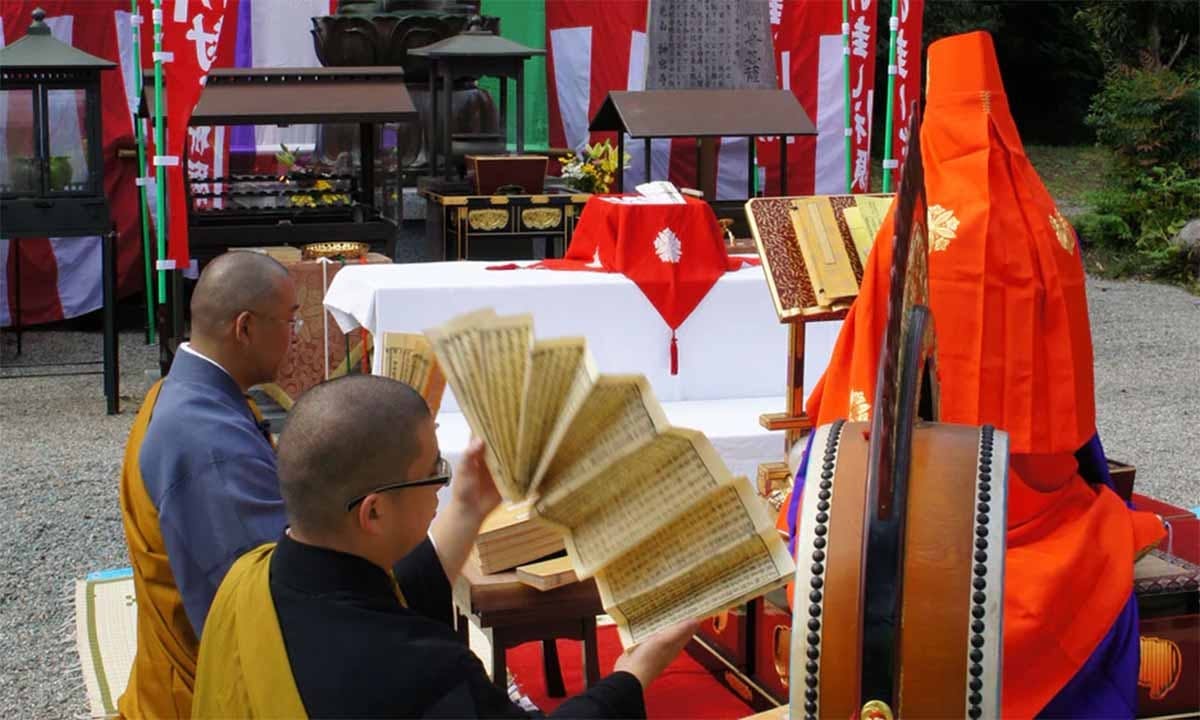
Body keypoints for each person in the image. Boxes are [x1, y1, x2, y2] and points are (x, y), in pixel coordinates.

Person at [777, 31, 1164, 718]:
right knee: (1091, 522)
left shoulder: (914, 221)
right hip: (1043, 481)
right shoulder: (1049, 220)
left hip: (938, 498)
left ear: (934, 112)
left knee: (818, 492)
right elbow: (1071, 372)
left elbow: (872, 352)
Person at [192, 375, 699, 718]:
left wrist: (469, 506)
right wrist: (634, 674)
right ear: (373, 512)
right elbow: (385, 643)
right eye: (433, 471)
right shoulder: (423, 671)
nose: (441, 483)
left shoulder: (248, 578)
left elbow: (380, 601)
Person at [117, 251, 299, 719]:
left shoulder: (182, 391)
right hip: (197, 697)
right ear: (245, 328)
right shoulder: (209, 446)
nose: (294, 338)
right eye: (289, 322)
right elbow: (272, 600)